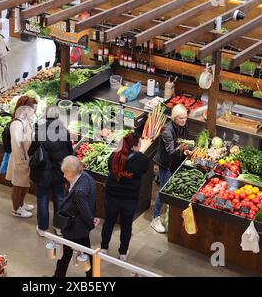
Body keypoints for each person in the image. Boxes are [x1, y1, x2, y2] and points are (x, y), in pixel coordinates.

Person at [100, 133, 149, 261]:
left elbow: (110, 169)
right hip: (129, 199)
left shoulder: (114, 156)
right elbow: (143, 171)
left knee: (109, 222)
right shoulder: (142, 160)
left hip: (111, 196)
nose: (140, 146)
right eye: (139, 143)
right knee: (126, 226)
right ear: (134, 146)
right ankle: (122, 253)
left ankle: (104, 248)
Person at [28, 105, 73, 236]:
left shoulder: (40, 131)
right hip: (59, 172)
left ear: (46, 116)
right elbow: (70, 152)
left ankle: (42, 228)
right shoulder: (64, 131)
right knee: (59, 198)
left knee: (42, 198)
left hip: (43, 172)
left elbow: (31, 150)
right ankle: (59, 227)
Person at [53, 156, 99, 277]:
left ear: (70, 172)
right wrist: (92, 219)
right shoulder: (87, 177)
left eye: (65, 173)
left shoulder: (78, 191)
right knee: (67, 254)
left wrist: (91, 223)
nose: (63, 176)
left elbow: (84, 211)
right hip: (79, 228)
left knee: (79, 255)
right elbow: (91, 202)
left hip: (75, 229)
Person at [152, 104, 191, 233]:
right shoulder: (166, 131)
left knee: (169, 189)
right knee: (164, 190)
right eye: (181, 118)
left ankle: (169, 212)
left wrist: (185, 152)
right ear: (174, 118)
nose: (184, 120)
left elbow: (181, 142)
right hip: (166, 164)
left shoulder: (183, 126)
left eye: (185, 117)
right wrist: (180, 149)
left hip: (176, 161)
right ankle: (155, 218)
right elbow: (171, 152)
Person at [6, 95, 37, 218]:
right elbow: (16, 143)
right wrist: (21, 160)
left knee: (24, 183)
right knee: (18, 185)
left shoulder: (25, 120)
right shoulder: (17, 124)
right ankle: (16, 209)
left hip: (26, 157)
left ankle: (21, 204)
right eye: (33, 109)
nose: (34, 112)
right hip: (20, 159)